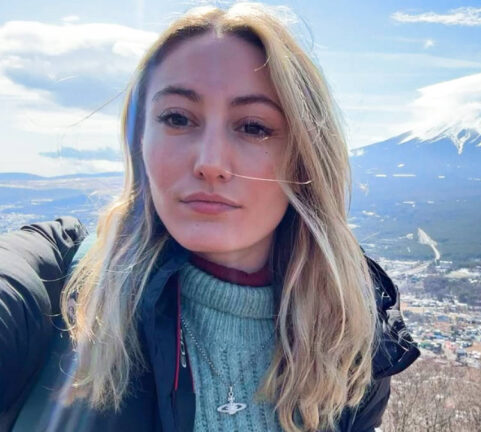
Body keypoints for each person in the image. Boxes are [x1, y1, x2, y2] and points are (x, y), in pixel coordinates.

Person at [0, 3, 420, 432]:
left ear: (304, 159)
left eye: (253, 126)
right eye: (177, 118)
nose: (210, 162)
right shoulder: (59, 286)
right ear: (139, 142)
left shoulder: (351, 336)